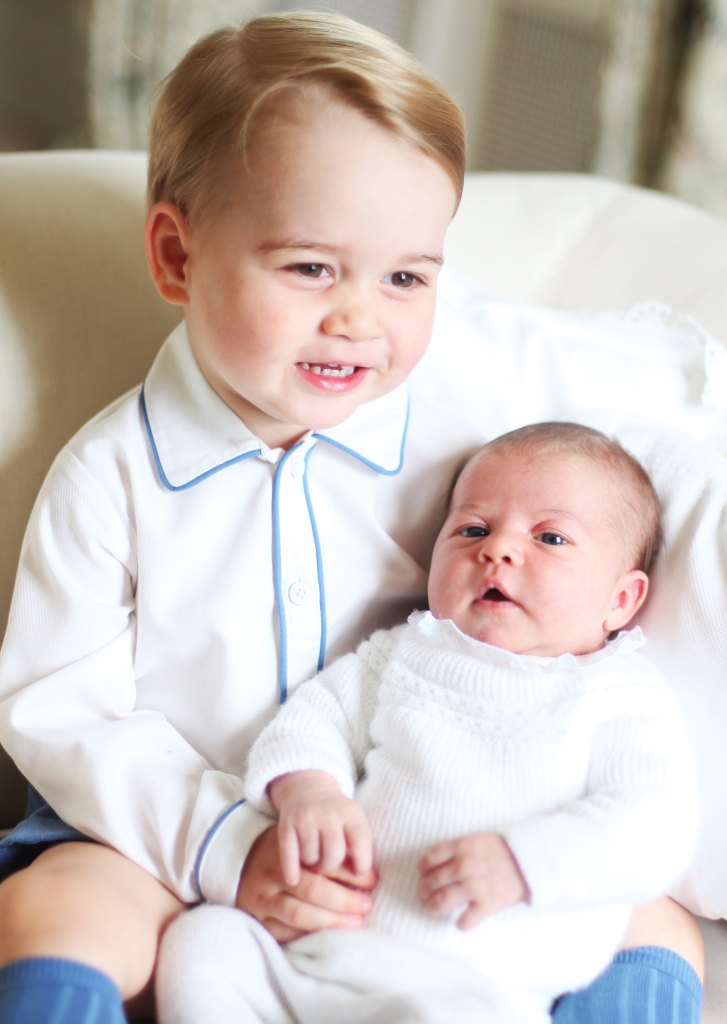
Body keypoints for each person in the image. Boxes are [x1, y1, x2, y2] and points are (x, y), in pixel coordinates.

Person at [0, 11, 702, 1024]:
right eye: (309, 269)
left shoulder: (467, 412)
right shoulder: (112, 475)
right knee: (54, 909)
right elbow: (64, 714)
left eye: (406, 277)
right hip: (161, 834)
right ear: (176, 256)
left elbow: (645, 379)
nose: (360, 318)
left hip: (427, 827)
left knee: (651, 916)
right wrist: (229, 845)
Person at [154, 421, 699, 1024]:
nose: (498, 549)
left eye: (550, 537)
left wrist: (525, 863)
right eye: (472, 529)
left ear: (620, 600)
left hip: (475, 990)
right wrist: (309, 788)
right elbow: (315, 717)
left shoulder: (616, 691)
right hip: (315, 959)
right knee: (204, 941)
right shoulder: (405, 653)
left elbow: (656, 824)